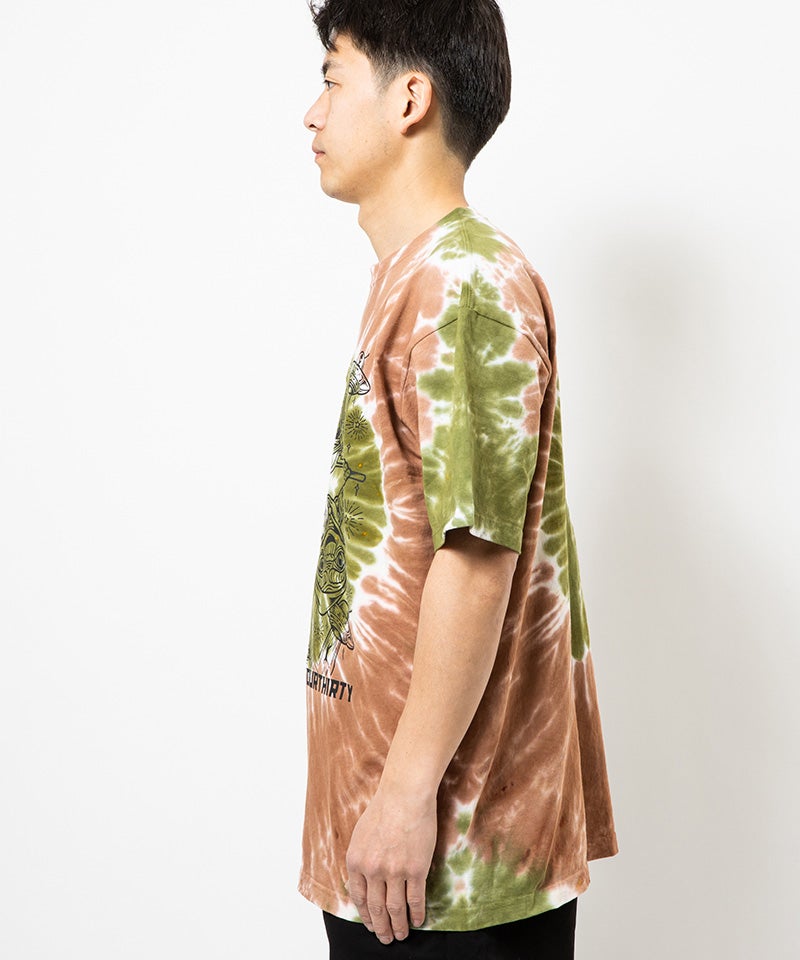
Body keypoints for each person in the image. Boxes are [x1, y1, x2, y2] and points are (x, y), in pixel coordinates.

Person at [298, 2, 618, 957]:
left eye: (332, 79)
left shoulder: (464, 286)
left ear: (410, 99)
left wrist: (403, 798)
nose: (312, 112)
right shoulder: (417, 276)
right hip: (401, 855)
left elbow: (476, 558)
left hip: (452, 861)